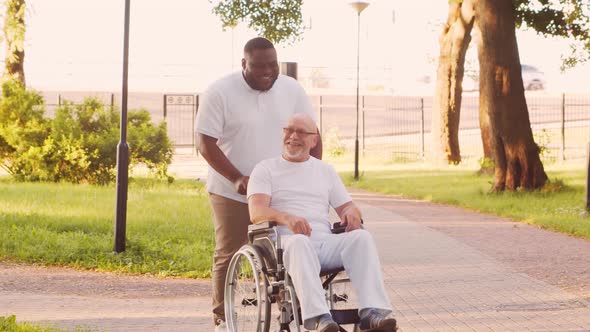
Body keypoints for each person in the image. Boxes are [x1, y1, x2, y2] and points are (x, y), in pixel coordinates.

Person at [195, 37, 322, 331]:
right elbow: (205, 143)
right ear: (243, 64)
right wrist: (237, 177)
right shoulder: (220, 91)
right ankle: (222, 318)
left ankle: (290, 310)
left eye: (272, 65)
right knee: (229, 250)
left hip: (284, 188)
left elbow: (312, 135)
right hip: (233, 189)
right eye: (259, 66)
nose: (267, 72)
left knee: (292, 247)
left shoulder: (291, 89)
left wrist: (312, 174)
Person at [247, 113, 397, 332]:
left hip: (324, 243)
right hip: (285, 245)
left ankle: (373, 312)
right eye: (289, 130)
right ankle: (319, 318)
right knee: (299, 242)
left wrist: (353, 213)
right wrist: (286, 218)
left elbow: (347, 206)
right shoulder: (265, 169)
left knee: (361, 237)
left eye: (301, 132)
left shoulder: (325, 171)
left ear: (314, 140)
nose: (293, 136)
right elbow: (256, 211)